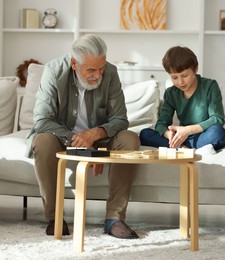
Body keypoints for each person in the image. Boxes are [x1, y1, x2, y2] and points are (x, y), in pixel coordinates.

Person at [25, 34, 139, 239]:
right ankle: (55, 218)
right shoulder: (53, 71)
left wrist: (95, 134)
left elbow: (120, 119)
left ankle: (114, 218)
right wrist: (81, 143)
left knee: (130, 139)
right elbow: (41, 120)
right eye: (91, 70)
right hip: (61, 136)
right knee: (42, 141)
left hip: (100, 137)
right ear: (74, 64)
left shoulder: (111, 73)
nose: (98, 75)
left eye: (101, 68)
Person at [139, 46, 225, 154]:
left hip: (202, 134)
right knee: (145, 133)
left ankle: (180, 147)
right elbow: (161, 123)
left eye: (185, 75)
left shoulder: (210, 86)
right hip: (181, 136)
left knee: (218, 133)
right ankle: (183, 147)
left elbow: (217, 118)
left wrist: (187, 130)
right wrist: (169, 135)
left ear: (195, 69)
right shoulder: (171, 93)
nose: (180, 82)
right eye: (175, 78)